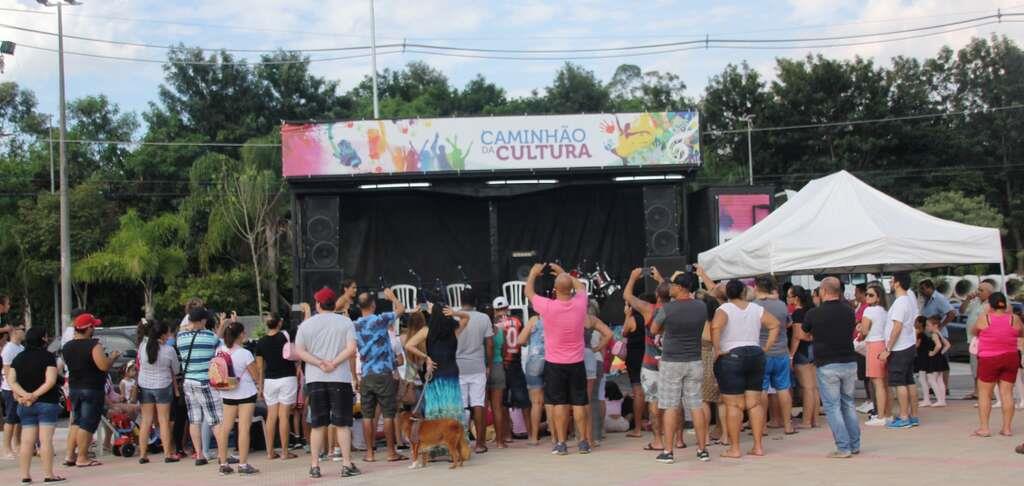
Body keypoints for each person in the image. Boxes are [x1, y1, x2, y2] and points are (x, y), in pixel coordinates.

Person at [525, 262, 591, 456]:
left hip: (555, 363)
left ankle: (561, 443)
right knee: (579, 403)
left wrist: (533, 273)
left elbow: (529, 292)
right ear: (570, 288)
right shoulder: (580, 303)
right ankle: (583, 442)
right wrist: (564, 273)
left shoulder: (548, 307)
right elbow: (580, 287)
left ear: (554, 290)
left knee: (560, 404)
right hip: (576, 362)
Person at [294, 286, 360, 478]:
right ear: (334, 304)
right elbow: (351, 349)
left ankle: (315, 466)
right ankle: (347, 465)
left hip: (315, 378)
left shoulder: (306, 325)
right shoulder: (345, 322)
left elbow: (300, 351)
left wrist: (319, 362)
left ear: (317, 304)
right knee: (342, 423)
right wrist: (334, 363)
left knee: (317, 424)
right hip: (339, 377)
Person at [711, 279, 780, 459]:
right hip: (755, 354)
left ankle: (735, 448)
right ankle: (758, 446)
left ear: (727, 294)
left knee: (734, 404)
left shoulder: (724, 309)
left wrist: (718, 349)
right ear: (743, 292)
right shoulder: (756, 308)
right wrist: (766, 347)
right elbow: (775, 325)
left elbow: (715, 326)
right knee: (754, 403)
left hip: (732, 355)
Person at [651, 272, 709, 464]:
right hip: (694, 359)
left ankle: (668, 451)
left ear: (681, 287)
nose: (671, 288)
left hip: (672, 361)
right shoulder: (701, 307)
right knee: (696, 405)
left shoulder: (668, 308)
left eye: (673, 285)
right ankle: (702, 450)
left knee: (670, 406)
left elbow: (653, 330)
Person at [802, 277, 861, 458]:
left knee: (833, 406)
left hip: (827, 364)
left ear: (823, 291)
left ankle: (843, 447)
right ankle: (854, 444)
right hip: (849, 361)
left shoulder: (814, 313)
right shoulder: (849, 311)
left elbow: (806, 331)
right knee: (848, 403)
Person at [403, 302, 470, 463]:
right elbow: (467, 317)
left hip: (435, 375)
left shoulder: (427, 330)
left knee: (435, 412)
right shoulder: (453, 330)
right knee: (452, 411)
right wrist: (455, 312)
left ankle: (435, 450)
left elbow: (408, 345)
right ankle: (457, 450)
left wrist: (426, 358)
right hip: (451, 374)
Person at [353, 288, 406, 462]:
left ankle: (369, 454)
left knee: (368, 415)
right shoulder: (380, 320)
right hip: (383, 373)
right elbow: (401, 309)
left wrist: (355, 376)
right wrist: (392, 297)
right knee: (388, 413)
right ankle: (391, 452)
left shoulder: (355, 325)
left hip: (366, 374)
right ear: (373, 304)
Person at [62, 313, 120, 468]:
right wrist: (112, 357)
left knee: (77, 421)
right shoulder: (94, 345)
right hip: (91, 388)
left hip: (74, 387)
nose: (94, 328)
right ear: (88, 328)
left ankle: (69, 455)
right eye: (93, 326)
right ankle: (82, 457)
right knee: (87, 424)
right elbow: (103, 366)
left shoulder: (67, 346)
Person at [622, 267, 670, 451]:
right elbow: (671, 292)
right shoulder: (678, 307)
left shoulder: (649, 309)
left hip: (651, 363)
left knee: (654, 402)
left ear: (657, 294)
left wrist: (633, 277)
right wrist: (660, 278)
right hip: (671, 361)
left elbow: (628, 296)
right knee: (674, 402)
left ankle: (658, 440)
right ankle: (678, 438)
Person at [9, 327, 64, 483]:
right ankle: (48, 475)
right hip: (46, 402)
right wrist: (35, 395)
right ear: (43, 339)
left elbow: (12, 381)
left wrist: (25, 395)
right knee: (46, 440)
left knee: (27, 441)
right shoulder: (47, 357)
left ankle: (25, 476)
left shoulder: (18, 358)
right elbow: (51, 381)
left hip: (25, 404)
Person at [176, 307, 229, 467]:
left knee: (194, 419)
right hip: (205, 382)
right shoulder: (209, 336)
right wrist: (223, 326)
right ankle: (222, 456)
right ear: (204, 321)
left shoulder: (180, 337)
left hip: (188, 382)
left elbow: (184, 330)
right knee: (216, 420)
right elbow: (220, 346)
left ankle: (199, 455)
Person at [972, 292, 1024, 437]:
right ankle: (1007, 428)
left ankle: (984, 428)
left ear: (990, 305)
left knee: (985, 394)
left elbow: (974, 331)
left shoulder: (985, 318)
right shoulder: (1014, 318)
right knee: (1007, 393)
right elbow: (1021, 333)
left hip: (989, 359)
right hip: (1010, 357)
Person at [213, 321, 260, 475]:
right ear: (240, 335)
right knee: (244, 428)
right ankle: (243, 464)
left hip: (227, 394)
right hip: (245, 393)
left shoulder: (220, 351)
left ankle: (223, 463)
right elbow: (255, 375)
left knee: (225, 428)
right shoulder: (245, 353)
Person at [753, 276, 794, 436]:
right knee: (783, 388)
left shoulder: (755, 306)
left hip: (762, 351)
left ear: (757, 287)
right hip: (781, 351)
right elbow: (788, 323)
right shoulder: (781, 304)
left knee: (761, 389)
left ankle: (761, 426)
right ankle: (788, 425)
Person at [137, 320, 182, 464]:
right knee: (164, 420)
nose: (169, 335)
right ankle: (167, 454)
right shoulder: (169, 350)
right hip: (163, 386)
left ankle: (143, 455)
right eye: (168, 332)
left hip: (145, 386)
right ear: (163, 335)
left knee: (146, 421)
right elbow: (176, 370)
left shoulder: (143, 347)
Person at [880, 272, 921, 429]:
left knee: (899, 383)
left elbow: (897, 327)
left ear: (897, 283)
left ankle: (904, 416)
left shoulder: (900, 303)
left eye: (892, 280)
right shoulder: (909, 300)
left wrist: (888, 348)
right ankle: (914, 415)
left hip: (900, 347)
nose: (890, 283)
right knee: (909, 380)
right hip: (908, 345)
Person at [257, 313, 300, 461]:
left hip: (270, 381)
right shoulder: (285, 336)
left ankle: (270, 452)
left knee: (271, 416)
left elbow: (260, 368)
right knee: (284, 416)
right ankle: (285, 452)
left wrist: (260, 387)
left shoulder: (260, 342)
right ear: (279, 323)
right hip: (288, 378)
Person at [456, 289, 494, 454]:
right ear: (476, 301)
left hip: (458, 366)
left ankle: (462, 442)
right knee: (478, 404)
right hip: (478, 365)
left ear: (460, 300)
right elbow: (489, 344)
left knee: (463, 406)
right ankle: (480, 443)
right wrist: (489, 364)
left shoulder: (454, 316)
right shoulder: (484, 318)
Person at [493, 296, 530, 447]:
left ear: (495, 310)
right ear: (508, 308)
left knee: (501, 404)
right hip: (515, 363)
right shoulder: (518, 321)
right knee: (525, 403)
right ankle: (532, 434)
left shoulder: (495, 325)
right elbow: (525, 341)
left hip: (501, 365)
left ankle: (506, 435)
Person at [621, 270, 652, 440]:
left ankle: (638, 427)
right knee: (653, 391)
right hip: (649, 355)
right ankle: (654, 423)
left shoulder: (634, 319)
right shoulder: (651, 317)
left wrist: (627, 316)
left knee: (638, 391)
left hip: (634, 357)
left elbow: (625, 332)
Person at [857, 283, 890, 426]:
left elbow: (863, 331)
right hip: (883, 344)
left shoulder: (868, 311)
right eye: (867, 294)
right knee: (884, 383)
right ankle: (886, 413)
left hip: (873, 345)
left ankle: (881, 415)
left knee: (877, 383)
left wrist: (860, 328)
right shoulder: (884, 311)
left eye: (871, 295)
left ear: (878, 297)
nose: (867, 297)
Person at [788, 285, 819, 429]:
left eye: (789, 296)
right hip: (814, 350)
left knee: (807, 388)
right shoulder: (813, 311)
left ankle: (806, 421)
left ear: (796, 298)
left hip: (802, 352)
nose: (787, 299)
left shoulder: (798, 313)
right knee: (813, 388)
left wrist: (791, 355)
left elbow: (797, 336)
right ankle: (815, 419)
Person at [518, 310, 550, 445]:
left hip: (534, 361)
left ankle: (534, 438)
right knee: (551, 402)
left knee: (536, 403)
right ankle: (555, 436)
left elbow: (521, 340)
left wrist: (529, 341)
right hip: (551, 360)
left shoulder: (534, 320)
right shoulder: (555, 318)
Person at [919, 279, 956, 393]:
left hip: (938, 334)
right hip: (928, 334)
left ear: (929, 288)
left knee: (942, 361)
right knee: (933, 362)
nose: (921, 292)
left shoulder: (939, 298)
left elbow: (951, 313)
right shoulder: (927, 300)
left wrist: (940, 326)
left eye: (923, 289)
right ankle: (934, 386)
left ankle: (945, 387)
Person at [961, 280, 997, 399]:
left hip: (985, 340)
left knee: (985, 367)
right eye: (978, 289)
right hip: (973, 340)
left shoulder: (992, 304)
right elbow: (961, 311)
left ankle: (989, 392)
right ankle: (976, 390)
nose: (978, 292)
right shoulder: (975, 301)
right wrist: (967, 299)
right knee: (975, 366)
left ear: (989, 293)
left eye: (981, 290)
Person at [1, 321, 25, 460]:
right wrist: (15, 389)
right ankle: (6, 448)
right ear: (14, 332)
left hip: (19, 388)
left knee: (19, 419)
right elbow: (7, 371)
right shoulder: (9, 349)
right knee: (10, 419)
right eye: (22, 329)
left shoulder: (20, 347)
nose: (24, 331)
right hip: (10, 389)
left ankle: (17, 444)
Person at [919, 316, 951, 408]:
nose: (927, 327)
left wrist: (933, 352)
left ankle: (940, 399)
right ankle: (942, 399)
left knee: (931, 379)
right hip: (940, 359)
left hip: (934, 360)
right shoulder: (939, 333)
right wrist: (941, 353)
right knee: (939, 379)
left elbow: (938, 345)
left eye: (928, 325)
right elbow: (947, 345)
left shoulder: (934, 334)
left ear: (935, 325)